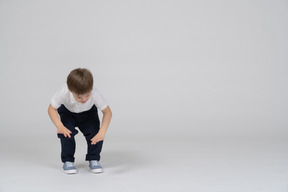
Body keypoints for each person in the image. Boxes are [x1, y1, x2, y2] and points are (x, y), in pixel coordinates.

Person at [48, 68, 112, 174]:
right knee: (66, 134)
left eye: (87, 95)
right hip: (68, 113)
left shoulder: (94, 92)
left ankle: (94, 159)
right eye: (79, 97)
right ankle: (68, 161)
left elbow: (108, 112)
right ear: (70, 89)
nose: (84, 99)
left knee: (95, 133)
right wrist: (59, 126)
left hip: (88, 114)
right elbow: (51, 109)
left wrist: (102, 132)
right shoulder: (64, 91)